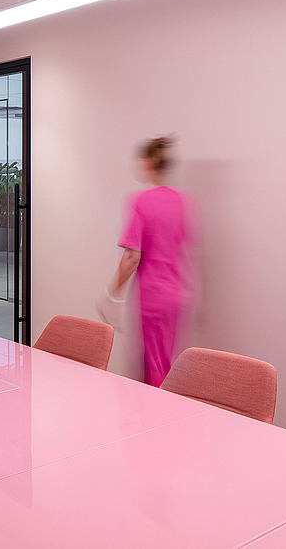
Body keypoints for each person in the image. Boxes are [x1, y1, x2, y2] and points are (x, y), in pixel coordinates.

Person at [109, 137, 191, 387]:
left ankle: (161, 422)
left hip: (154, 296)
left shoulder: (142, 201)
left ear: (149, 163)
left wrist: (112, 293)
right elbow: (182, 246)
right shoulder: (181, 201)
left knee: (157, 371)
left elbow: (132, 256)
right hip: (176, 295)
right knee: (164, 362)